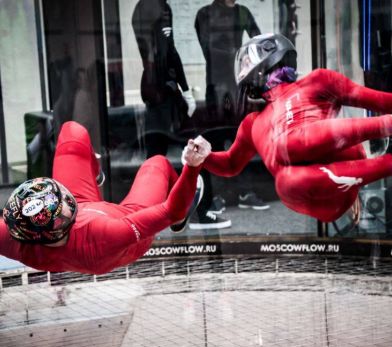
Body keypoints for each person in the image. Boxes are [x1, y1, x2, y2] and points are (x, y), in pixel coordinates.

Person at [190, 33, 392, 224]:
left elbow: (383, 101)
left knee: (285, 144)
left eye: (246, 63)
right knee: (285, 181)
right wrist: (203, 157)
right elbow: (230, 164)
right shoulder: (251, 124)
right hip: (312, 190)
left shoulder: (318, 81)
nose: (241, 72)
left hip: (345, 158)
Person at [0, 121, 209, 275]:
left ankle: (95, 173)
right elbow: (170, 210)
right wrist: (192, 167)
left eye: (58, 196)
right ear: (55, 226)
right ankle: (182, 220)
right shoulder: (103, 234)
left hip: (83, 210)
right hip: (124, 224)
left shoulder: (20, 238)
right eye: (61, 203)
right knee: (157, 163)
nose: (65, 198)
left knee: (72, 131)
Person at [193, 0, 268, 227]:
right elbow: (210, 50)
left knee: (240, 140)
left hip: (236, 88)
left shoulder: (242, 12)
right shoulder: (205, 14)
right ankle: (214, 196)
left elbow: (260, 42)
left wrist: (251, 61)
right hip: (216, 87)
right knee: (215, 142)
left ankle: (244, 192)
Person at [132, 0, 196, 159]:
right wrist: (185, 90)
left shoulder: (143, 8)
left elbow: (162, 50)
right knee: (184, 145)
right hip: (162, 88)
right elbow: (168, 50)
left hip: (155, 86)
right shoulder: (158, 8)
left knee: (158, 147)